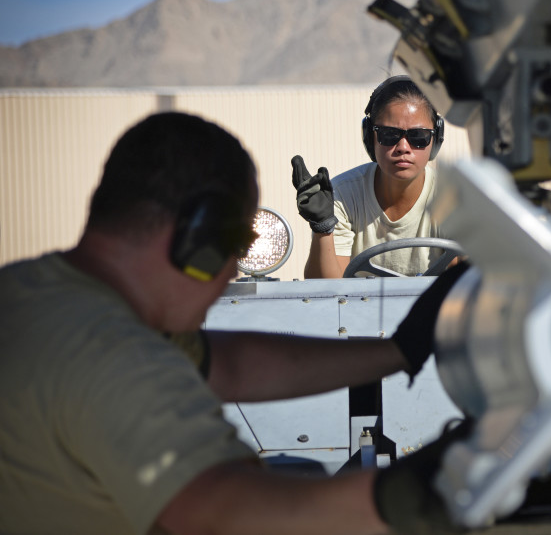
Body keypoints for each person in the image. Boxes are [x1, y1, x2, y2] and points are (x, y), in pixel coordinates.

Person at [0, 111, 468, 535]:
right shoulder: (114, 353)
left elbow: (232, 365)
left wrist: (398, 350)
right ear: (198, 236)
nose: (229, 271)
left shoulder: (41, 292)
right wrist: (426, 484)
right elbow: (223, 511)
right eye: (237, 242)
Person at [293, 75, 452, 278]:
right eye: (389, 134)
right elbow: (326, 294)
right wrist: (323, 228)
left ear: (435, 140)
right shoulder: (342, 195)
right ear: (370, 138)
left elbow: (465, 288)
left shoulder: (452, 198)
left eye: (418, 137)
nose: (403, 148)